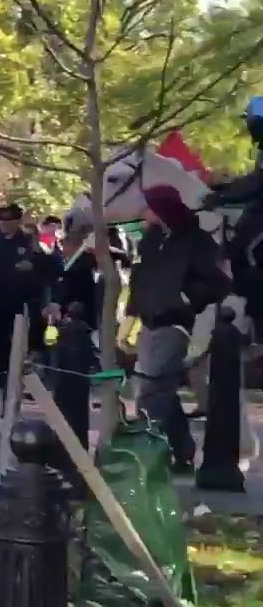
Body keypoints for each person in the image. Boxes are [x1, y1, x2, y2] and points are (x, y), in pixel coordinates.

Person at [125, 184, 229, 473]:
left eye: (150, 207)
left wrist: (187, 298)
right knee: (160, 390)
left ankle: (153, 453)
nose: (145, 212)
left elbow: (219, 282)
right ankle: (181, 451)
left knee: (153, 388)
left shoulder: (197, 241)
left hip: (175, 323)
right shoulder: (151, 239)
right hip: (149, 322)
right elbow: (139, 277)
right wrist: (131, 315)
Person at [0, 204, 51, 373]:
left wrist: (32, 262)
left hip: (18, 299)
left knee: (16, 338)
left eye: (9, 220)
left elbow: (42, 264)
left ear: (17, 221)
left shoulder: (26, 239)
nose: (4, 223)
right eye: (1, 219)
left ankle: (13, 371)